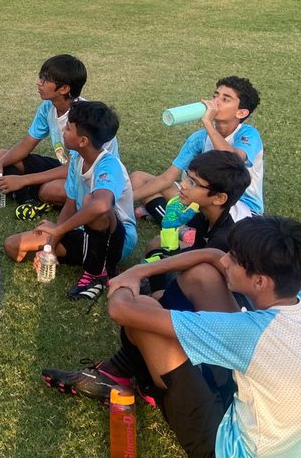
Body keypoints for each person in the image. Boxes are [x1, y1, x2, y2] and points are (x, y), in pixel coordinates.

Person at [77, 217, 301, 458]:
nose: (225, 262)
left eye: (235, 260)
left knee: (145, 309)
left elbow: (122, 312)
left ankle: (133, 377)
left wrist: (124, 283)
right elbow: (212, 256)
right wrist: (139, 271)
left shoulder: (251, 334)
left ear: (260, 281)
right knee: (202, 276)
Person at [43, 149, 252, 404]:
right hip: (204, 316)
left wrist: (142, 273)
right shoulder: (206, 216)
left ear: (219, 197)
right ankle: (118, 372)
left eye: (194, 183)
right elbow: (184, 252)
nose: (183, 186)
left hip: (221, 341)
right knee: (156, 269)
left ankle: (146, 384)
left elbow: (204, 265)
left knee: (146, 306)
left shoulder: (228, 236)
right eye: (187, 177)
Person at [4, 100, 136, 301]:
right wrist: (50, 246)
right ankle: (82, 257)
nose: (63, 131)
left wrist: (59, 230)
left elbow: (101, 206)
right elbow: (70, 203)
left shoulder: (109, 166)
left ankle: (96, 275)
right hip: (85, 234)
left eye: (68, 128)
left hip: (116, 239)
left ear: (83, 141)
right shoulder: (77, 159)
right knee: (14, 247)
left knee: (95, 202)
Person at [0, 54, 113, 220]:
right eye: (41, 77)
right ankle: (29, 200)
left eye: (45, 79)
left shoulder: (82, 120)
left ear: (64, 89)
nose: (38, 82)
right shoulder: (48, 107)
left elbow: (74, 169)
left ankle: (31, 193)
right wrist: (0, 163)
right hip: (65, 166)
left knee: (50, 190)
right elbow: (26, 144)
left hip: (89, 178)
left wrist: (23, 180)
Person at [131, 76, 263, 223]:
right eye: (215, 96)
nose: (215, 102)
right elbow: (167, 178)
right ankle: (180, 227)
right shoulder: (199, 138)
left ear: (241, 113)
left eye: (225, 99)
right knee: (138, 178)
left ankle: (162, 213)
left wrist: (207, 123)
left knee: (161, 195)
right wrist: (126, 199)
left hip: (237, 207)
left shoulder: (248, 134)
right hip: (202, 198)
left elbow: (234, 160)